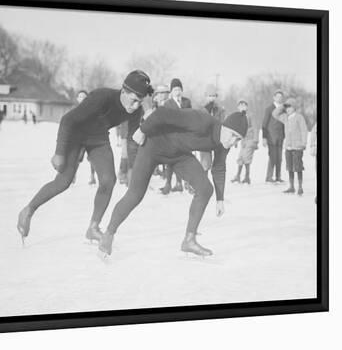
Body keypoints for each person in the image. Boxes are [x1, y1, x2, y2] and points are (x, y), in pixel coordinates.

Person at [17, 70, 152, 245]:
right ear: (124, 91)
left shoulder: (135, 110)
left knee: (108, 180)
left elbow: (133, 137)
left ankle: (93, 227)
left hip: (99, 138)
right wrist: (59, 152)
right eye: (134, 100)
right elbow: (67, 120)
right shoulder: (102, 97)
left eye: (139, 102)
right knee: (63, 182)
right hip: (76, 134)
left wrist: (147, 120)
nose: (135, 106)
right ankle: (28, 210)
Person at [98, 105, 248, 257]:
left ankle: (189, 240)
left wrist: (220, 198)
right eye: (232, 135)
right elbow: (163, 113)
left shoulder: (224, 144)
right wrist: (142, 130)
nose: (233, 141)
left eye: (238, 139)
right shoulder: (201, 121)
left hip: (179, 154)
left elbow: (219, 167)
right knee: (135, 195)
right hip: (153, 146)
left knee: (205, 189)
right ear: (224, 126)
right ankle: (108, 234)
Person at [160, 78, 192, 194]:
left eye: (179, 89)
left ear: (182, 90)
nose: (177, 92)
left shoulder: (186, 102)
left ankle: (182, 183)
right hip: (171, 135)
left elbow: (190, 117)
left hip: (184, 135)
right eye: (175, 90)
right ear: (171, 92)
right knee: (170, 160)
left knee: (183, 158)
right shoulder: (167, 104)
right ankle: (168, 183)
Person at [272, 98, 308, 195]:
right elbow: (275, 114)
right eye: (286, 107)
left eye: (289, 107)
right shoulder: (285, 117)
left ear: (294, 108)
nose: (287, 109)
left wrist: (304, 143)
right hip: (288, 147)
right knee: (290, 167)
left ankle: (300, 187)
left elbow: (304, 130)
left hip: (298, 147)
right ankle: (291, 187)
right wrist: (282, 106)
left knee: (298, 167)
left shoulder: (299, 117)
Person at [231, 100, 258, 184]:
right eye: (240, 105)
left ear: (247, 107)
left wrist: (256, 140)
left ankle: (247, 177)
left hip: (250, 139)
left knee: (246, 158)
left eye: (244, 105)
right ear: (238, 107)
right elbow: (236, 130)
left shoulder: (250, 115)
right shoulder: (238, 117)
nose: (242, 107)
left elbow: (255, 127)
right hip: (243, 141)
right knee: (240, 158)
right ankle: (238, 176)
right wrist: (235, 141)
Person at [200, 84, 225, 172]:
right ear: (206, 96)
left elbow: (222, 124)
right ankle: (204, 183)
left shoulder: (220, 109)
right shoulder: (201, 109)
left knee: (217, 164)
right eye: (209, 96)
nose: (211, 98)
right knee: (205, 163)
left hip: (216, 138)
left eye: (213, 96)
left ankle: (216, 184)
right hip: (205, 139)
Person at [262, 90, 286, 183]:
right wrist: (264, 137)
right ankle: (269, 177)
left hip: (280, 137)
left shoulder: (284, 110)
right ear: (274, 97)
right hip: (271, 137)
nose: (279, 98)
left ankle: (278, 177)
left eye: (281, 97)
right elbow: (264, 124)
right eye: (278, 97)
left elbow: (285, 123)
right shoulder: (269, 109)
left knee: (279, 158)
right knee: (272, 157)